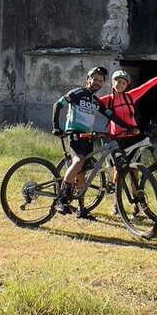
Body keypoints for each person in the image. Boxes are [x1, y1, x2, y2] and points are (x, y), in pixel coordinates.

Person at [51, 66, 135, 216]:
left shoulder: (96, 101)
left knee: (82, 174)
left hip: (88, 139)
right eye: (94, 79)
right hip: (76, 137)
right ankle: (61, 200)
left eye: (100, 80)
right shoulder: (77, 93)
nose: (97, 82)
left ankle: (81, 210)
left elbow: (111, 116)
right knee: (78, 162)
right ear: (88, 79)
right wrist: (56, 128)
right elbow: (58, 104)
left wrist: (128, 127)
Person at [100, 65, 157, 167]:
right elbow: (92, 103)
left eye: (124, 83)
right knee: (118, 170)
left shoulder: (130, 96)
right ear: (113, 82)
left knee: (135, 167)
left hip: (133, 136)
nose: (121, 85)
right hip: (117, 139)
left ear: (126, 86)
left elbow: (147, 86)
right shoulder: (107, 100)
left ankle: (134, 183)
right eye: (118, 81)